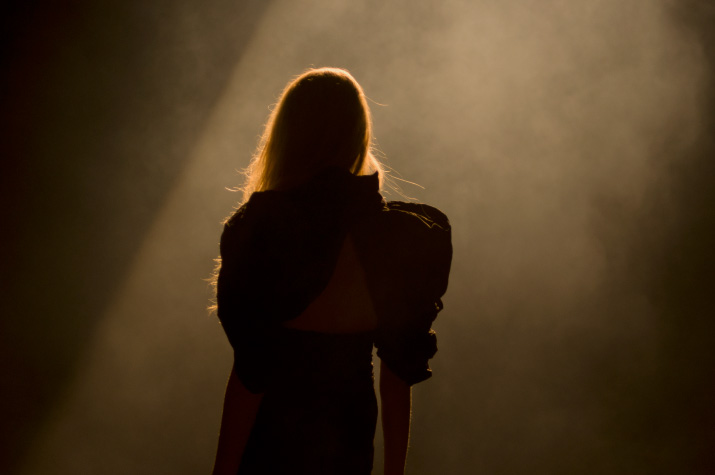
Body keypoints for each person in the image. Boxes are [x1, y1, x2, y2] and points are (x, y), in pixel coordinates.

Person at [212, 67, 452, 475]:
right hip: (349, 439)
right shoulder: (401, 238)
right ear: (359, 133)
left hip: (274, 439)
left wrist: (223, 471)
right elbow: (398, 374)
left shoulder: (262, 232)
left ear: (288, 134)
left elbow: (250, 376)